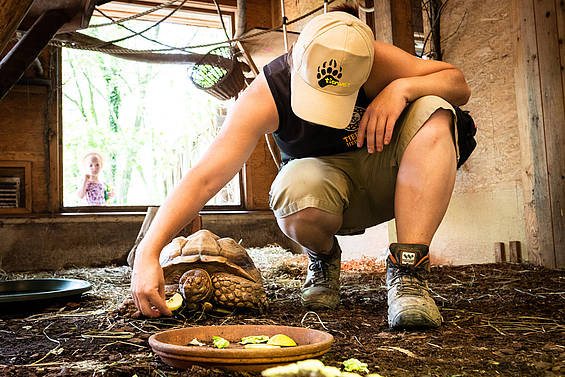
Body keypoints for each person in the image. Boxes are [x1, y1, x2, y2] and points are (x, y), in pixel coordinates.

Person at [130, 9, 471, 329]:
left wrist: (402, 88)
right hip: (326, 193)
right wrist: (149, 251)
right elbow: (205, 175)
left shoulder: (375, 60)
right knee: (295, 185)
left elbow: (458, 83)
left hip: (392, 176)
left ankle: (408, 274)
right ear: (295, 59)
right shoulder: (268, 91)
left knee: (436, 109)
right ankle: (323, 259)